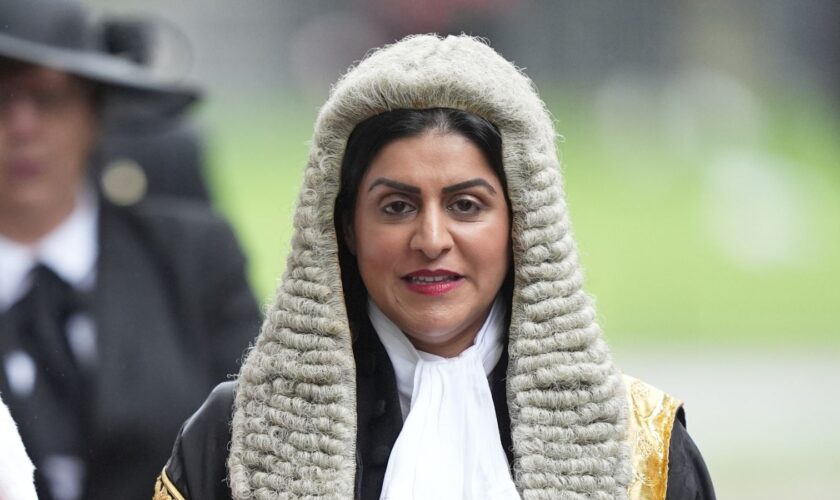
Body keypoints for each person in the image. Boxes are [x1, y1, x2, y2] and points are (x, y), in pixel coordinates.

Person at [155, 35, 715, 500]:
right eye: (396, 206)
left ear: (524, 221)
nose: (430, 239)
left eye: (466, 205)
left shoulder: (640, 443)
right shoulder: (238, 435)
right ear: (345, 227)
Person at [0, 1, 261, 499]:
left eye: (48, 99)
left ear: (95, 115)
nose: (22, 127)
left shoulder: (194, 258)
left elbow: (258, 433)